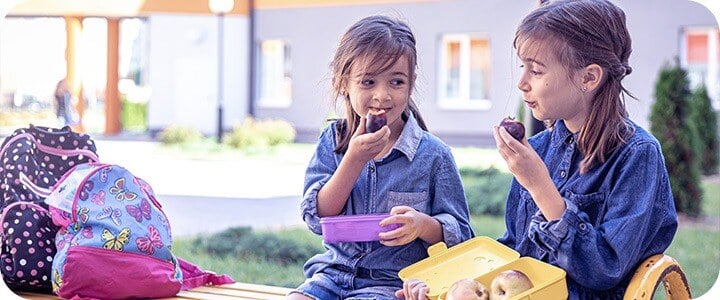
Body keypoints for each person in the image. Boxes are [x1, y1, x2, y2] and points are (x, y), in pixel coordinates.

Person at [398, 0, 678, 299]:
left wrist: (540, 186)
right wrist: (452, 286)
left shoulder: (636, 155)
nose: (521, 83)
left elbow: (604, 269)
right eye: (523, 67)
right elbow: (514, 251)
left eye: (536, 70)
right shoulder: (538, 148)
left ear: (589, 77)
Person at [288, 15, 474, 300]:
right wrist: (354, 159)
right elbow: (318, 218)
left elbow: (461, 234)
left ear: (410, 84)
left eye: (396, 82)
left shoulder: (433, 156)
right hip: (332, 275)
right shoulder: (333, 141)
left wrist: (422, 225)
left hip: (394, 284)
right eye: (368, 81)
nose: (382, 95)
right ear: (343, 83)